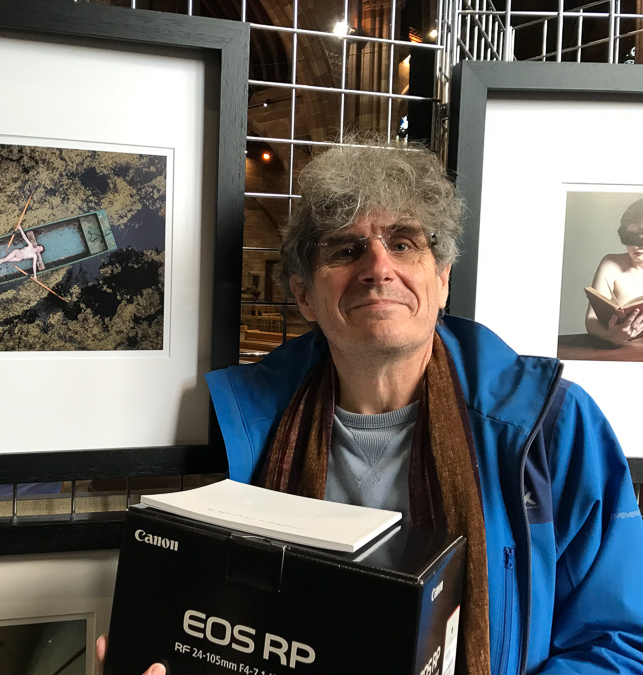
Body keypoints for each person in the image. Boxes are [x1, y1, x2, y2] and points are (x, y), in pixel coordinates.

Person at [99, 140, 643, 675]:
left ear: (442, 280)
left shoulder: (551, 425)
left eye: (404, 244)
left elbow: (619, 639)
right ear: (305, 295)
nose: (378, 267)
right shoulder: (247, 424)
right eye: (345, 249)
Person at [585, 198, 643, 344]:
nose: (636, 246)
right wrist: (610, 336)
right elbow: (591, 320)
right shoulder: (611, 264)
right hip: (623, 349)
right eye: (630, 237)